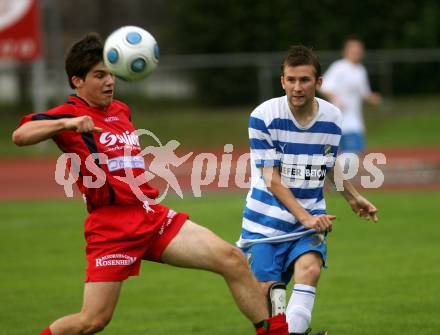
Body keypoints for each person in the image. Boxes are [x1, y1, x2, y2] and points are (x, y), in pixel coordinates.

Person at [12, 33, 290, 335]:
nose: (109, 81)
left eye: (111, 74)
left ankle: (277, 332)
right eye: (99, 75)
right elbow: (21, 134)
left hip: (149, 215)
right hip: (112, 227)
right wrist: (65, 124)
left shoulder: (121, 110)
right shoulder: (70, 114)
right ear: (77, 81)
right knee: (92, 320)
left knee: (232, 259)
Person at [237, 45, 378, 335]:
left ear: (318, 82)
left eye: (304, 80)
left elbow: (327, 164)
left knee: (310, 270)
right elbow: (272, 179)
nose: (297, 87)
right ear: (282, 81)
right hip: (264, 225)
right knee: (268, 299)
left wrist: (353, 197)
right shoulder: (263, 116)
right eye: (291, 80)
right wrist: (305, 218)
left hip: (310, 219)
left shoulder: (332, 117)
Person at [320, 36, 381, 155]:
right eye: (353, 50)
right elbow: (322, 85)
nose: (356, 52)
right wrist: (335, 97)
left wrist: (372, 98)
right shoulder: (339, 67)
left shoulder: (360, 70)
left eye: (359, 50)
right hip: (337, 119)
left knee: (353, 154)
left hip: (354, 120)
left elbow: (364, 93)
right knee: (337, 157)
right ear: (345, 51)